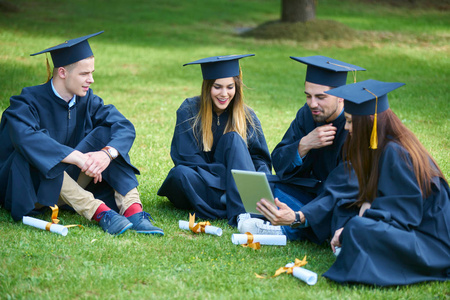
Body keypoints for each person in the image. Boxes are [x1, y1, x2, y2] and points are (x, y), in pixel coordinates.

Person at [0, 31, 164, 236]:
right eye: (84, 74)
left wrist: (106, 154)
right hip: (32, 190)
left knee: (108, 134)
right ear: (62, 72)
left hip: (69, 185)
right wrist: (78, 158)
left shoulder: (87, 101)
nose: (91, 79)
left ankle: (133, 210)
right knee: (37, 153)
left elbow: (123, 126)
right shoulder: (26, 102)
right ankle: (100, 212)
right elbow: (26, 138)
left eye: (92, 72)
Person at [319, 79, 449, 285]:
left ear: (370, 121)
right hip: (416, 230)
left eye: (351, 121)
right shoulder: (386, 146)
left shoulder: (395, 152)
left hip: (432, 245)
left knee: (356, 228)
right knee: (347, 213)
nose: (346, 127)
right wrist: (368, 206)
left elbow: (404, 215)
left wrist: (356, 224)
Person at [239, 55, 365, 239]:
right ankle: (284, 219)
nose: (313, 104)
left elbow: (346, 187)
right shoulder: (307, 114)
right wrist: (303, 145)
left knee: (340, 212)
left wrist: (302, 214)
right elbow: (279, 160)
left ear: (341, 97)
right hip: (309, 193)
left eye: (321, 97)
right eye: (308, 96)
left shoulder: (353, 126)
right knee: (264, 184)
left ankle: (285, 227)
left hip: (336, 198)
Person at [158, 54, 272, 226]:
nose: (224, 94)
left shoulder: (247, 116)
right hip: (202, 182)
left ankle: (230, 203)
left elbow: (259, 159)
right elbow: (187, 160)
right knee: (180, 174)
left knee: (233, 139)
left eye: (230, 87)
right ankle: (233, 202)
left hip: (231, 184)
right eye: (217, 87)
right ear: (207, 87)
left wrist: (260, 184)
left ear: (237, 87)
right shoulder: (189, 111)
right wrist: (229, 180)